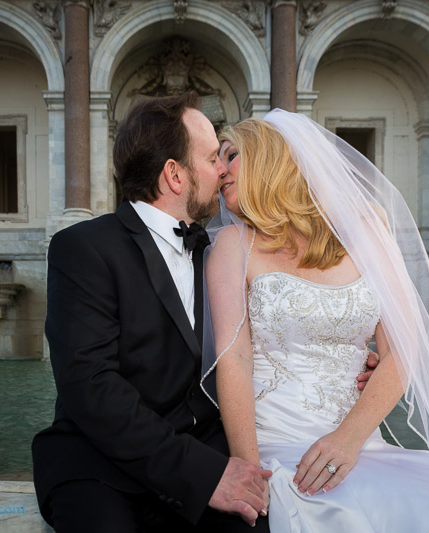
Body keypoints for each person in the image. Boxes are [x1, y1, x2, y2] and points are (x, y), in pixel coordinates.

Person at [200, 110, 429, 532]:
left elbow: (404, 347)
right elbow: (234, 361)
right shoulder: (233, 244)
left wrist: (348, 439)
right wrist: (249, 472)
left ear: (269, 158)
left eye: (230, 155)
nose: (219, 169)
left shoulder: (365, 230)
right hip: (275, 448)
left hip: (361, 445)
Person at [31, 92, 273, 532]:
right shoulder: (83, 248)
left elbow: (255, 342)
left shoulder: (220, 252)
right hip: (100, 468)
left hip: (203, 449)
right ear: (174, 175)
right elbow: (92, 387)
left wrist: (351, 358)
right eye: (211, 158)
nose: (224, 170)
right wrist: (202, 476)